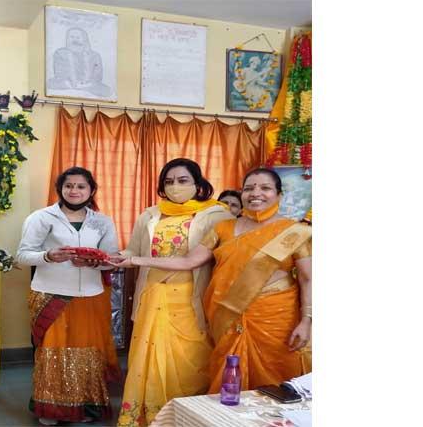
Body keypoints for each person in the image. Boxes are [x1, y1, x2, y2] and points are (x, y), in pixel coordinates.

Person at [112, 167, 312, 393]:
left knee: (276, 380)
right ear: (242, 193)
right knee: (228, 377)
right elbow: (188, 262)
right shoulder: (223, 228)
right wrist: (136, 261)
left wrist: (307, 321)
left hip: (275, 320)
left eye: (265, 188)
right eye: (249, 188)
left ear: (279, 195)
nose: (256, 193)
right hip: (227, 316)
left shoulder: (294, 232)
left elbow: (308, 280)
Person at [116, 158, 233, 426]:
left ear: (198, 183)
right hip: (152, 295)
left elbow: (217, 260)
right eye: (169, 182)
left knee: (190, 363)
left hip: (192, 300)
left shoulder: (217, 215)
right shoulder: (150, 214)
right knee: (146, 361)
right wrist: (114, 257)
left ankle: (185, 419)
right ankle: (147, 417)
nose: (175, 187)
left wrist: (136, 261)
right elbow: (133, 251)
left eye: (182, 181)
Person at [16, 167, 120, 426]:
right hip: (52, 295)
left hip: (90, 296)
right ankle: (51, 409)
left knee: (85, 354)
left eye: (81, 186)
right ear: (60, 189)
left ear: (91, 190)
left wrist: (97, 263)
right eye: (69, 185)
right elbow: (23, 254)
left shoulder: (102, 221)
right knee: (53, 352)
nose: (74, 190)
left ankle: (85, 406)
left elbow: (112, 258)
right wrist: (49, 256)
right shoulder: (41, 218)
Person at [47, 27, 113, 98]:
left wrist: (87, 83)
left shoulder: (95, 55)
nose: (75, 40)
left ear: (85, 39)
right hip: (66, 83)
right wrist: (71, 82)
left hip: (89, 85)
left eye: (78, 37)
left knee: (107, 90)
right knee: (50, 83)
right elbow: (59, 72)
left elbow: (98, 76)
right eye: (72, 37)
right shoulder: (60, 53)